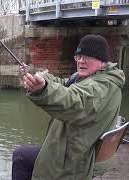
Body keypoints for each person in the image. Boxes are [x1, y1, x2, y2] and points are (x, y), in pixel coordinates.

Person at [12, 34, 126, 180]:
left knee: (21, 157)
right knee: (22, 155)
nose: (81, 62)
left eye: (88, 57)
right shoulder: (91, 78)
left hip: (74, 162)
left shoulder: (100, 88)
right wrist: (37, 77)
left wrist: (44, 89)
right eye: (78, 57)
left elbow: (74, 100)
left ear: (103, 61)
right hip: (78, 151)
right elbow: (64, 84)